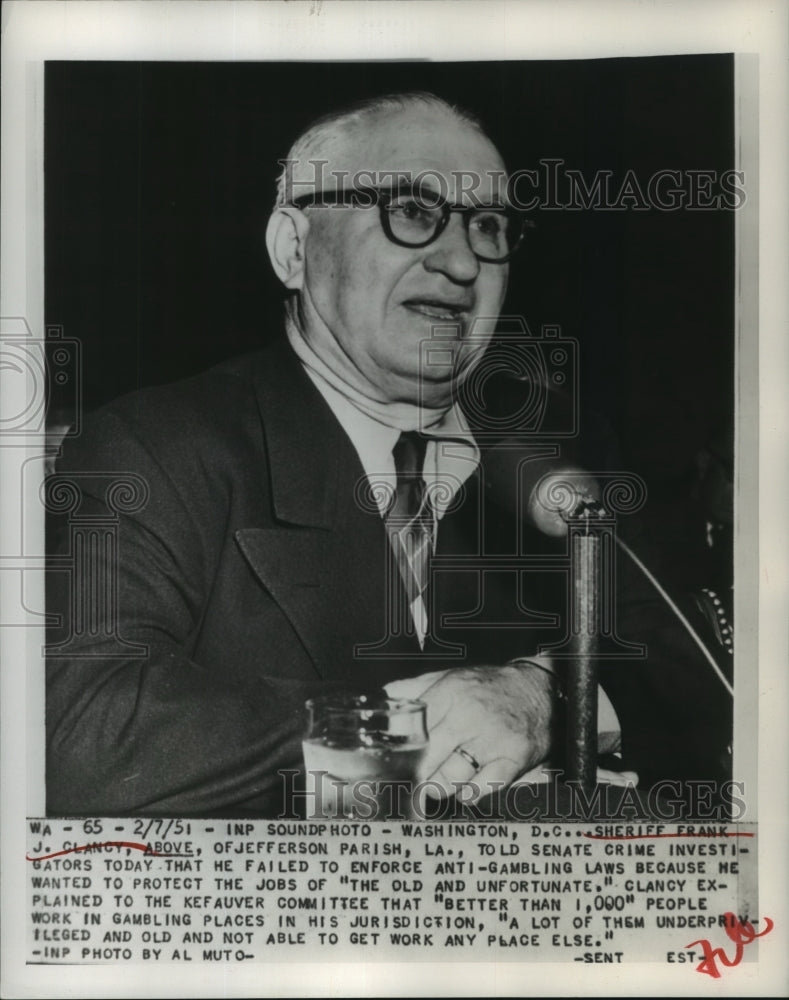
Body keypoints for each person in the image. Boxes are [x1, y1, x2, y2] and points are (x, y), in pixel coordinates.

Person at [45, 93, 731, 818]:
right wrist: (408, 723)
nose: (463, 260)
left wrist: (544, 696)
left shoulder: (564, 455)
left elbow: (704, 672)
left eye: (489, 225)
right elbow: (87, 738)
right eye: (411, 211)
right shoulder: (161, 448)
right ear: (294, 247)